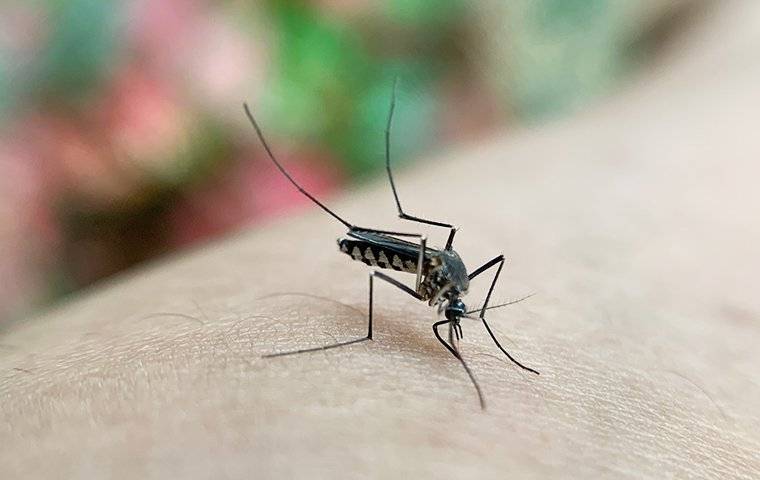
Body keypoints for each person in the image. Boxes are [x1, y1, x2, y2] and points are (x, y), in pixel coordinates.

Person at [2, 2, 759, 477]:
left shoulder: (460, 295)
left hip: (430, 257)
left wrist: (488, 339)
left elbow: (465, 292)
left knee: (448, 250)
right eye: (458, 314)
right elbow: (436, 270)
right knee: (360, 224)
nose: (453, 318)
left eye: (460, 316)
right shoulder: (438, 282)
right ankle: (315, 163)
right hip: (392, 246)